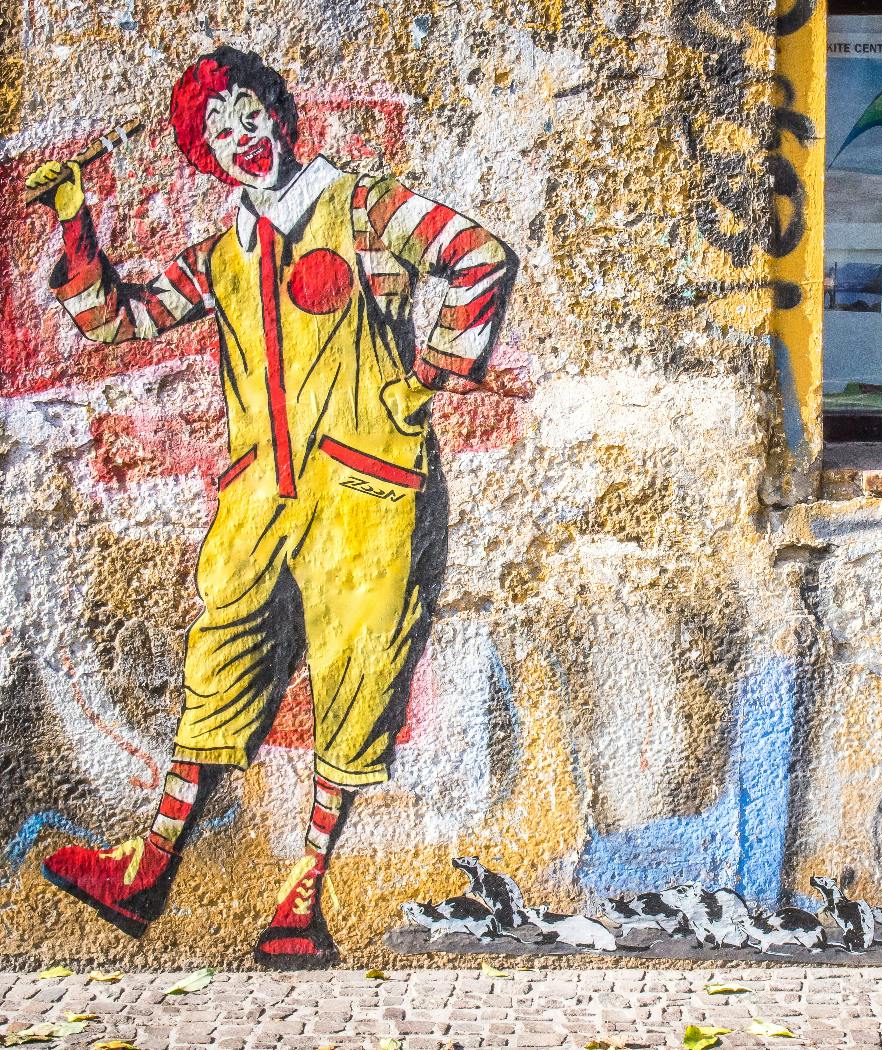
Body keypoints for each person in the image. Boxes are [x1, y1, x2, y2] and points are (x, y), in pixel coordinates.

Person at [24, 45, 519, 968]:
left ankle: (302, 895)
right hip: (262, 494)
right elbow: (114, 321)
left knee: (357, 674)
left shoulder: (360, 206)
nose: (239, 136)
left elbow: (478, 257)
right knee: (222, 660)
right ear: (206, 156)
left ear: (281, 116)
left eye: (248, 112)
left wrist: (427, 378)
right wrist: (75, 223)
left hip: (369, 489)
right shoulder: (222, 254)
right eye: (216, 130)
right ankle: (147, 867)